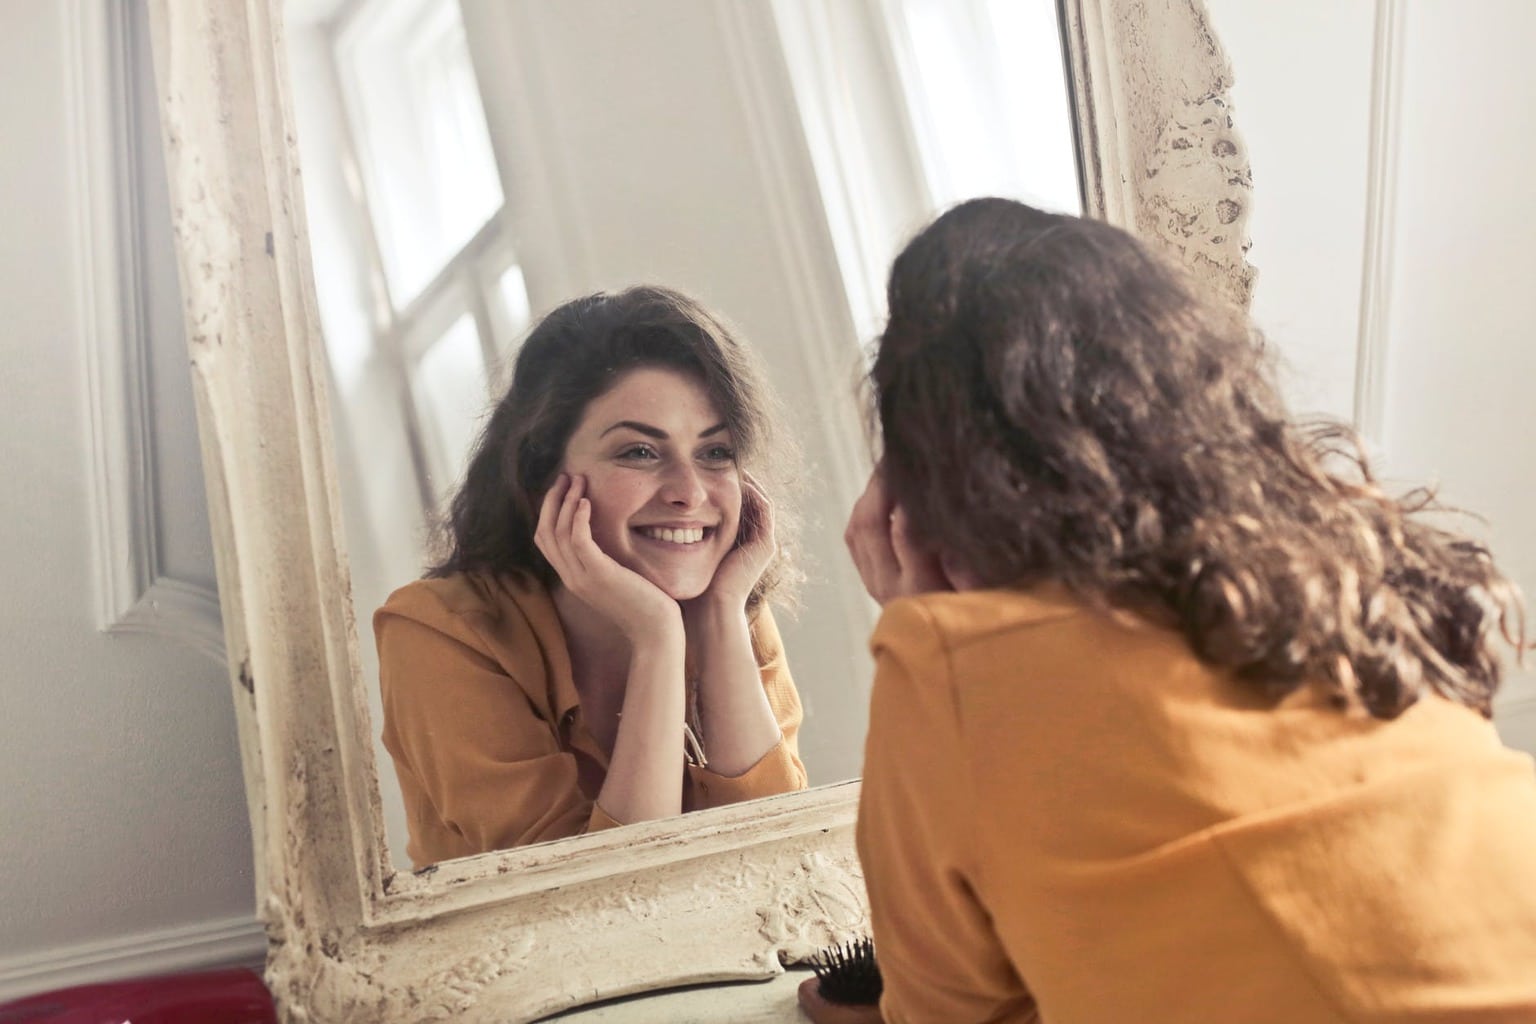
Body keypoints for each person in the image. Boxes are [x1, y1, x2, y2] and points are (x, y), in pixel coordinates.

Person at [817, 198, 1536, 1023]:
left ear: (923, 495)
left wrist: (919, 619)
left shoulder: (956, 666)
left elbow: (948, 1016)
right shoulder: (1353, 570)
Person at [375, 286, 807, 869]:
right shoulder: (438, 632)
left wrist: (720, 619)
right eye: (637, 452)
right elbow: (589, 900)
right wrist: (657, 639)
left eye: (715, 452)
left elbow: (779, 862)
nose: (689, 492)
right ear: (540, 477)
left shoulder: (730, 607)